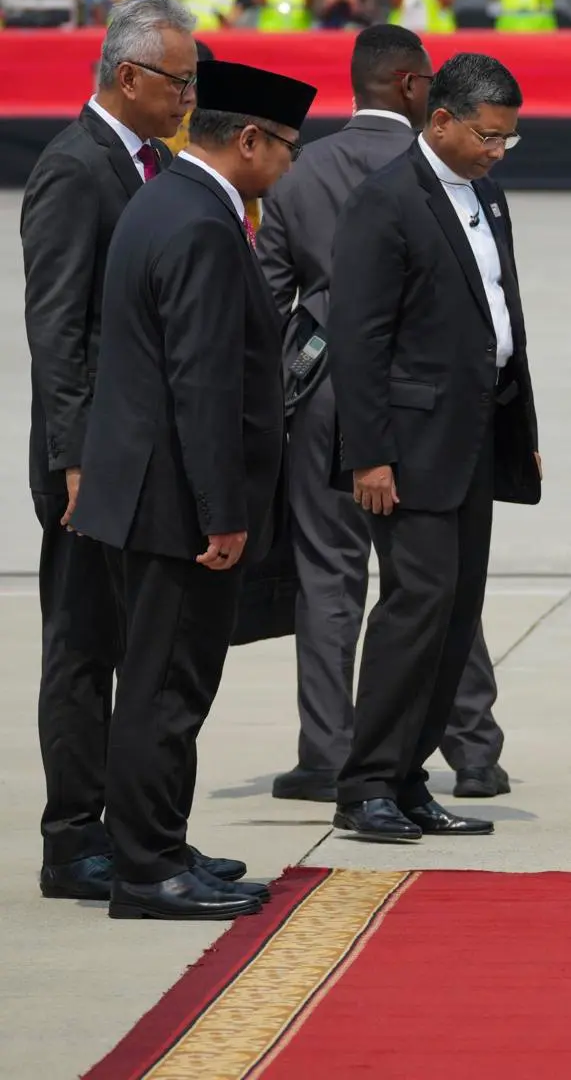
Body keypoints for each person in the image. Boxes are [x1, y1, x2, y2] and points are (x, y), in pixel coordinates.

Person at [71, 58, 314, 920]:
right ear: (248, 140)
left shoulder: (171, 199)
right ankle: (145, 870)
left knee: (161, 682)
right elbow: (203, 383)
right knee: (164, 690)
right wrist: (223, 513)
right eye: (286, 148)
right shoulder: (203, 224)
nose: (290, 166)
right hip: (176, 503)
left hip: (152, 492)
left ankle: (162, 845)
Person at [328, 53, 541, 843]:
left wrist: (523, 434)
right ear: (441, 119)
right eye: (488, 136)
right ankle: (367, 782)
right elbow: (359, 338)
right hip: (407, 450)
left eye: (508, 140)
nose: (497, 151)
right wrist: (369, 455)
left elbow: (499, 318)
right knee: (413, 609)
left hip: (474, 439)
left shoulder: (485, 192)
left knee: (454, 616)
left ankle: (411, 776)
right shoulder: (385, 202)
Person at [19, 0, 197, 903]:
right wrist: (75, 459)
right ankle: (72, 835)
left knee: (147, 646)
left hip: (146, 460)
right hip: (94, 465)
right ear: (128, 77)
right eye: (179, 80)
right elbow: (57, 330)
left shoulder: (152, 164)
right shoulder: (75, 171)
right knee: (86, 647)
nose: (189, 97)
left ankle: (141, 830)